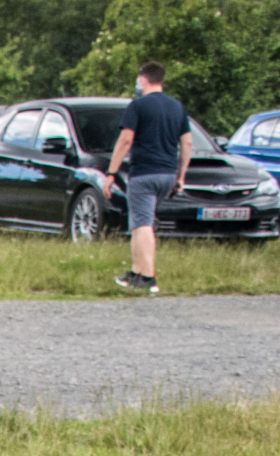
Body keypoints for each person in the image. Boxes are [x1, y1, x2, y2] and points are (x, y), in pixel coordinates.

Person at [103, 61, 191, 295]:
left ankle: (149, 277)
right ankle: (135, 271)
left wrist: (111, 173)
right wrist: (181, 176)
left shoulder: (138, 105)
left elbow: (125, 140)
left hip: (144, 173)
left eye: (138, 80)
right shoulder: (177, 107)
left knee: (143, 225)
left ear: (144, 80)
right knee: (139, 222)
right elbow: (187, 142)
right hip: (168, 174)